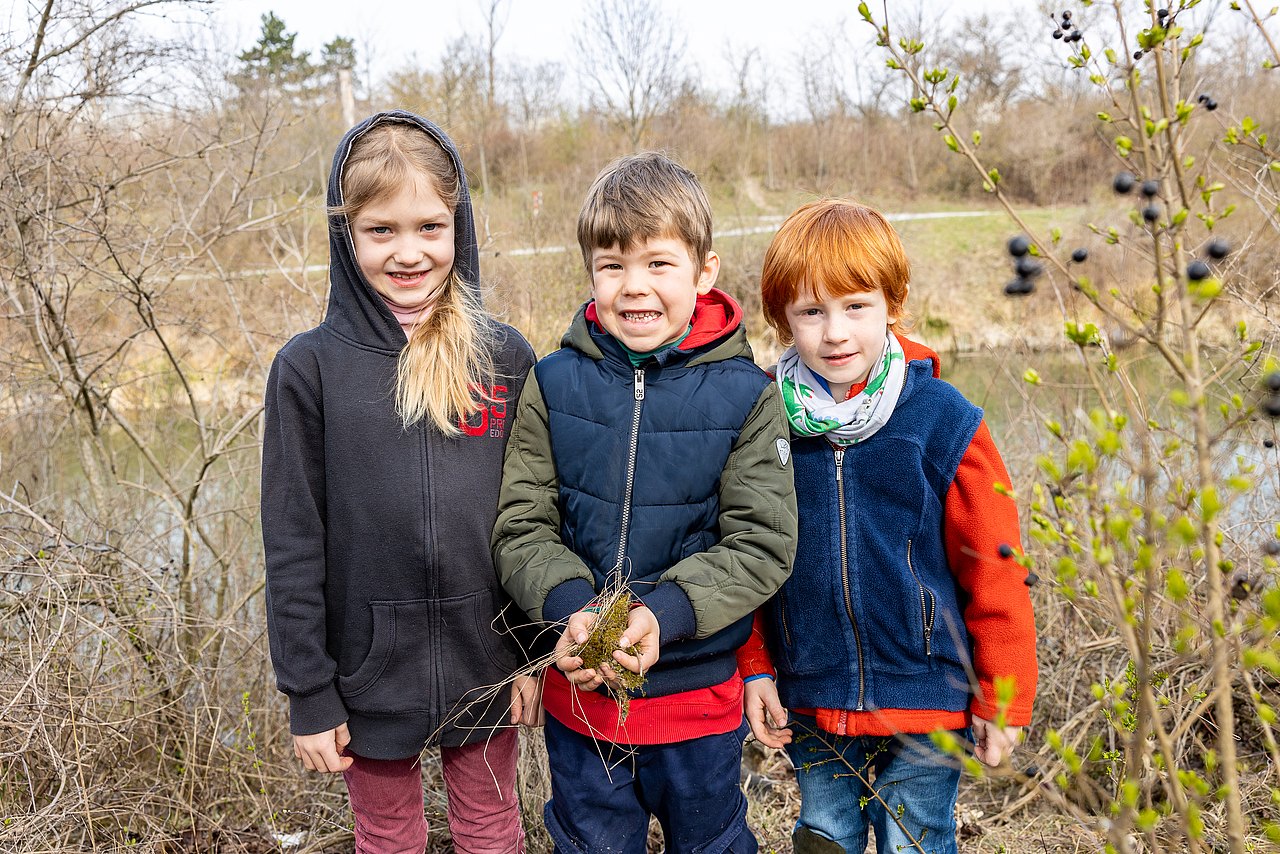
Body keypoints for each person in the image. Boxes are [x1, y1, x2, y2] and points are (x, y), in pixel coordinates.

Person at [492, 152, 798, 854]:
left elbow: (761, 542)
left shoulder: (747, 395)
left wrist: (662, 615)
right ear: (590, 272)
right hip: (584, 702)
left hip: (697, 706)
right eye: (611, 265)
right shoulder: (553, 382)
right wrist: (575, 609)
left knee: (713, 843)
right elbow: (522, 524)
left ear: (704, 272)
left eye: (658, 264)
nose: (635, 287)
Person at [261, 110, 538, 854]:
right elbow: (291, 541)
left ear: (460, 226)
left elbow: (533, 518)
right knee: (387, 835)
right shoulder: (309, 369)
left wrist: (529, 651)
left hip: (487, 658)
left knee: (491, 824)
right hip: (365, 672)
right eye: (381, 230)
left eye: (430, 227)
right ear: (345, 235)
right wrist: (309, 692)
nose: (409, 252)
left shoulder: (504, 357)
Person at [738, 199, 1038, 854]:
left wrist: (1003, 696)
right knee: (826, 835)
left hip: (928, 687)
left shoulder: (943, 420)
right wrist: (755, 665)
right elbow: (742, 555)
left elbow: (996, 566)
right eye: (811, 311)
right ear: (783, 319)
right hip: (812, 689)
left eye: (856, 307)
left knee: (914, 839)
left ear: (892, 304)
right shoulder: (762, 422)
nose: (835, 331)